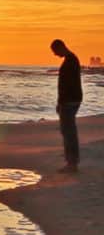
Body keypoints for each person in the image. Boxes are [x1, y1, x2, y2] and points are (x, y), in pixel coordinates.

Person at [50, 39, 83, 173]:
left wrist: (61, 102)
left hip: (69, 101)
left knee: (68, 132)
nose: (55, 54)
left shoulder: (71, 61)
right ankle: (71, 162)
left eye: (55, 51)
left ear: (61, 47)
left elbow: (67, 85)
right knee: (68, 131)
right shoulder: (71, 59)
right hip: (71, 99)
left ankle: (72, 163)